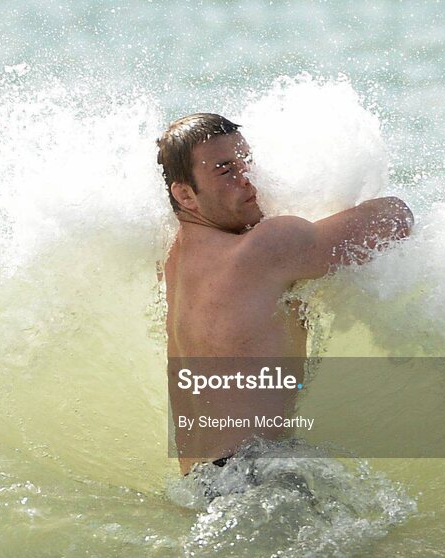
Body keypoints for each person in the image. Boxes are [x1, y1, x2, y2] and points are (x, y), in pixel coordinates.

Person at [157, 113, 413, 475]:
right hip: (256, 476)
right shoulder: (264, 248)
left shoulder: (170, 258)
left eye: (249, 163)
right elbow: (395, 218)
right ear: (184, 194)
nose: (249, 179)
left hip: (198, 482)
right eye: (226, 170)